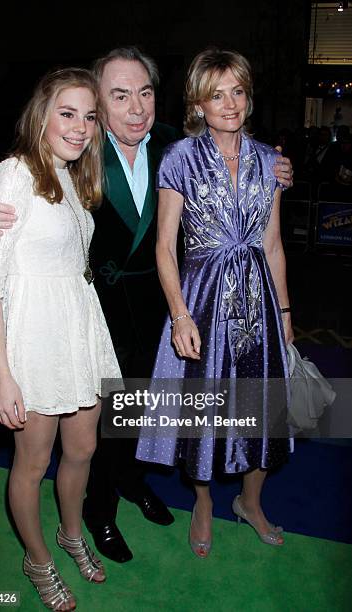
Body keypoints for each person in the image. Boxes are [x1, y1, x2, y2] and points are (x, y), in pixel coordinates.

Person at [0, 47, 294, 564]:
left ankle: (134, 483)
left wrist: (277, 172)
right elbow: (14, 184)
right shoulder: (78, 146)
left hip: (164, 308)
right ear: (97, 103)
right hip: (94, 311)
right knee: (96, 429)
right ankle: (99, 511)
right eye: (119, 95)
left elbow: (232, 166)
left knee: (144, 416)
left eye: (145, 93)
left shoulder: (173, 146)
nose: (137, 107)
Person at [136, 48, 294, 557]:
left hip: (260, 305)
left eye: (238, 92)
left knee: (262, 408)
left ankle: (251, 501)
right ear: (198, 104)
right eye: (216, 94)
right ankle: (202, 500)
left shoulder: (271, 161)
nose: (229, 104)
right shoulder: (180, 157)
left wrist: (287, 315)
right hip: (202, 299)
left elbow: (272, 245)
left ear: (248, 97)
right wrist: (180, 313)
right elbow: (164, 245)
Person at [0, 67, 121, 610]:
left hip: (77, 331)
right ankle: (37, 560)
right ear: (42, 114)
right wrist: (4, 375)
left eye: (88, 116)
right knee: (32, 465)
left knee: (82, 449)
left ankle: (70, 535)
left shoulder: (74, 179)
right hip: (32, 343)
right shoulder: (14, 173)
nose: (80, 127)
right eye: (67, 113)